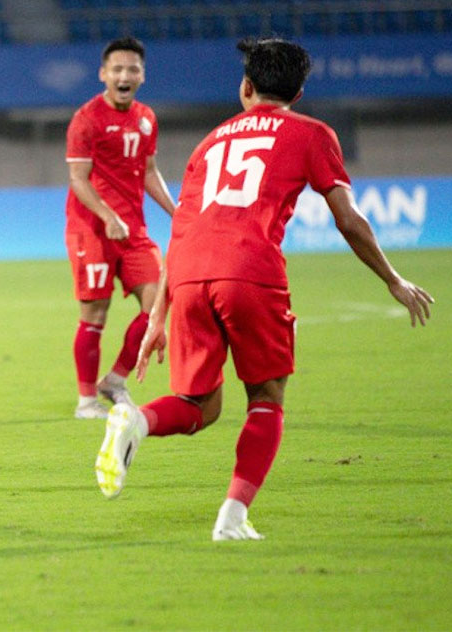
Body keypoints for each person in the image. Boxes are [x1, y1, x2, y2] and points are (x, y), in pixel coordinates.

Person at [95, 37, 433, 540]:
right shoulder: (312, 133)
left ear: (246, 86)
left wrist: (159, 318)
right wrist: (393, 278)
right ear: (297, 93)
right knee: (266, 397)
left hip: (187, 275)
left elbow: (182, 229)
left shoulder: (210, 142)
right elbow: (348, 218)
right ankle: (231, 519)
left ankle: (137, 423)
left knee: (199, 405)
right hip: (249, 270)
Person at [65, 37, 176, 420]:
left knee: (159, 301)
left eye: (132, 69)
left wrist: (177, 212)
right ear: (103, 74)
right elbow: (79, 179)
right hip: (91, 229)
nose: (124, 75)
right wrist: (108, 216)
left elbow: (148, 172)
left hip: (134, 231)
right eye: (117, 69)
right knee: (95, 313)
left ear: (142, 76)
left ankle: (114, 380)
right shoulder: (86, 118)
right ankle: (86, 402)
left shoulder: (147, 118)